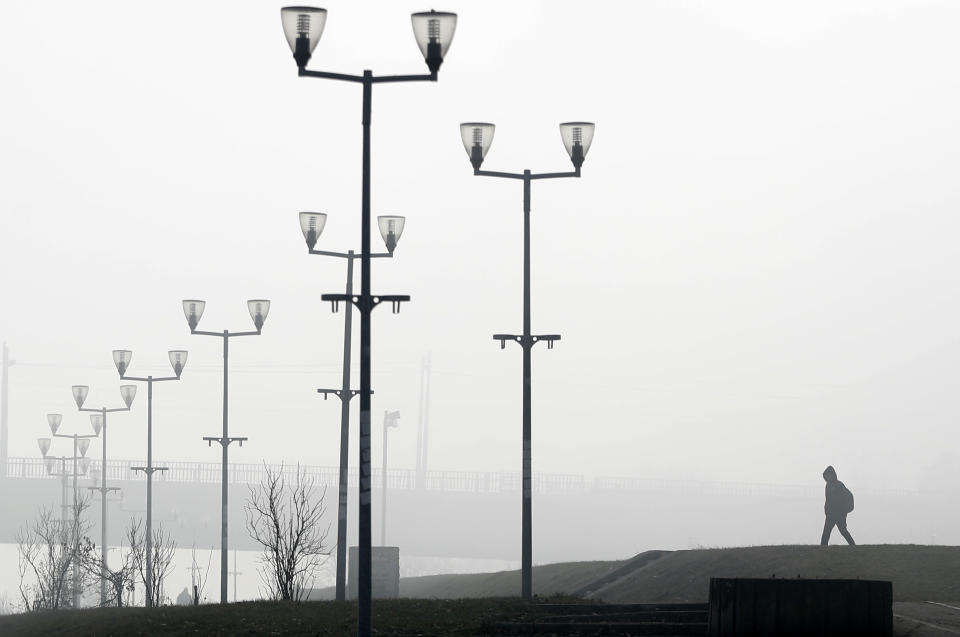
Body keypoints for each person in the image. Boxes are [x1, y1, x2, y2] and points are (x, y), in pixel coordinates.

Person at [820, 465, 855, 546]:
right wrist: (826, 510)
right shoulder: (828, 486)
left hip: (840, 514)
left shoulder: (839, 485)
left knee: (843, 531)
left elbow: (843, 498)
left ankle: (853, 546)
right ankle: (822, 548)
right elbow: (828, 500)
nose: (828, 478)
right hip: (830, 514)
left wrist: (843, 511)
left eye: (829, 475)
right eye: (826, 476)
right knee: (826, 532)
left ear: (833, 475)